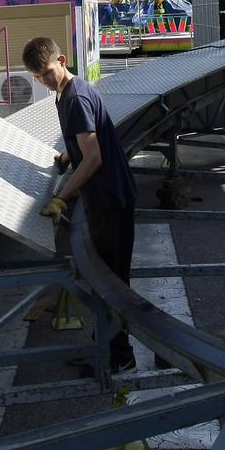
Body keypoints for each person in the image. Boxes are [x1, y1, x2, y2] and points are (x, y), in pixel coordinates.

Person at [22, 36, 138, 373]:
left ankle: (120, 357)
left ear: (61, 60)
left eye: (46, 72)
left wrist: (61, 197)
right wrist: (66, 154)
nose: (44, 81)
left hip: (111, 199)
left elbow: (94, 158)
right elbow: (84, 143)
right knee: (104, 278)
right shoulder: (67, 94)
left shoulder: (75, 99)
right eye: (37, 76)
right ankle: (107, 345)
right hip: (106, 197)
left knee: (112, 281)